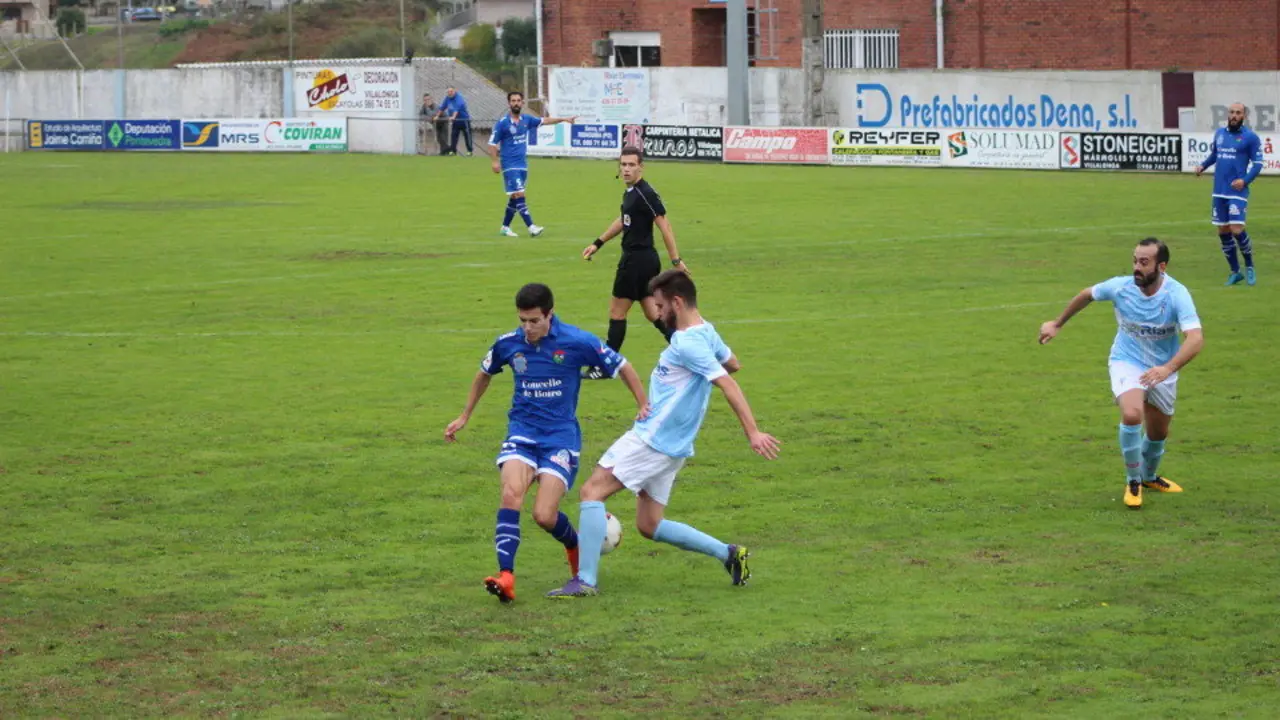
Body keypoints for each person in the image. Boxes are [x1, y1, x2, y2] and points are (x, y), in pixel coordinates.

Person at [547, 270, 780, 599]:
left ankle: (584, 581)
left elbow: (727, 381)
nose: (656, 313)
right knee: (649, 524)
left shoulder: (687, 342)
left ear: (677, 302)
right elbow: (734, 363)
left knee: (591, 492)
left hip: (652, 439)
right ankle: (729, 554)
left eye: (659, 306)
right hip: (675, 445)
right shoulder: (706, 331)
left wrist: (752, 432)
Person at [445, 283, 649, 603]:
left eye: (534, 321)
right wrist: (465, 415)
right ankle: (506, 576)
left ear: (549, 315)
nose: (527, 328)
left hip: (560, 440)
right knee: (511, 493)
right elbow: (484, 373)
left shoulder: (576, 341)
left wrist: (642, 404)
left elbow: (622, 366)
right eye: (522, 320)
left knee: (544, 515)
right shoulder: (508, 344)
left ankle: (574, 546)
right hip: (522, 433)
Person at [1038, 238, 1204, 510]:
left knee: (1158, 433)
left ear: (1162, 266)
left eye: (1144, 262)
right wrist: (1057, 324)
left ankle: (1149, 477)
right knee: (1131, 414)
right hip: (1127, 360)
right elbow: (1086, 294)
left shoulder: (1176, 294)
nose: (1137, 267)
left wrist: (1167, 368)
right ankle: (1133, 480)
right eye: (1135, 260)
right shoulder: (1121, 287)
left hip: (1163, 368)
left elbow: (1195, 338)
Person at [581, 146, 690, 379]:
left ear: (641, 167)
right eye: (623, 164)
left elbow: (664, 225)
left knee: (617, 312)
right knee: (653, 313)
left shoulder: (645, 193)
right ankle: (687, 350)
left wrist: (676, 260)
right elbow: (623, 220)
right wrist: (598, 243)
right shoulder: (631, 192)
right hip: (644, 261)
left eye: (631, 165)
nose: (627, 169)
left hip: (636, 261)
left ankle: (606, 366)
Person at [488, 90, 577, 238]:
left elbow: (545, 120)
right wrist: (494, 161)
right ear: (509, 103)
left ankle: (505, 227)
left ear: (522, 103)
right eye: (513, 101)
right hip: (509, 165)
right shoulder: (502, 124)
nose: (516, 103)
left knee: (514, 196)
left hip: (522, 165)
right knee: (519, 194)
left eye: (518, 100)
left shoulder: (526, 120)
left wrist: (564, 119)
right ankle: (531, 227)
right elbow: (491, 143)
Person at [1196, 102, 1263, 286]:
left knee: (1236, 229)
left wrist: (1245, 181)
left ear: (1244, 116)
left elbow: (1257, 164)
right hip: (1219, 191)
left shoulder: (1250, 138)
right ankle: (1235, 272)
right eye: (1232, 112)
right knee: (1223, 231)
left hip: (1237, 191)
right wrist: (1203, 165)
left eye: (1238, 113)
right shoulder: (1220, 134)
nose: (1234, 115)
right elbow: (1214, 155)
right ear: (1228, 115)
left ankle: (1249, 266)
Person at [439, 87, 473, 156]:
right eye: (448, 92)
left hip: (464, 120)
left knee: (467, 136)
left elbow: (457, 109)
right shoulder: (447, 98)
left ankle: (469, 151)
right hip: (455, 121)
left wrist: (453, 117)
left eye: (451, 91)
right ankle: (453, 151)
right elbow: (442, 107)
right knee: (453, 136)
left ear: (454, 91)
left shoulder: (459, 98)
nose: (450, 93)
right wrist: (437, 116)